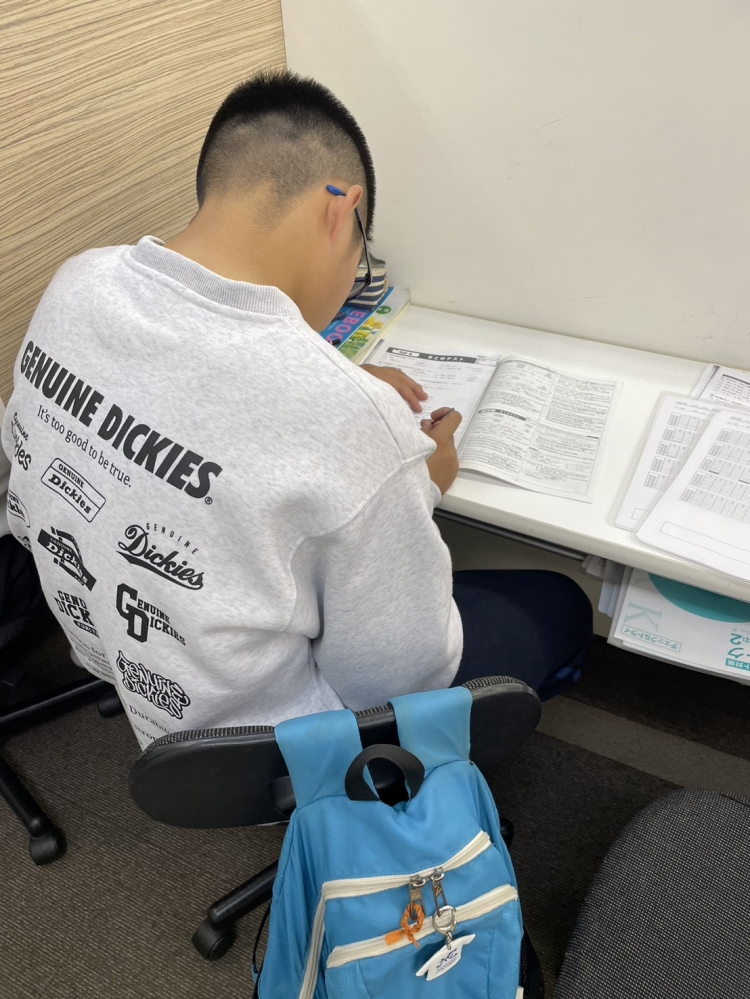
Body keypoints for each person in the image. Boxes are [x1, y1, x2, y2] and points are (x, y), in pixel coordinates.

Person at [1, 70, 590, 748]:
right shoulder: (350, 418)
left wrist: (322, 376)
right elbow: (395, 681)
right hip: (277, 748)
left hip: (111, 647)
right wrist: (420, 483)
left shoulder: (78, 280)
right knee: (558, 603)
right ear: (342, 209)